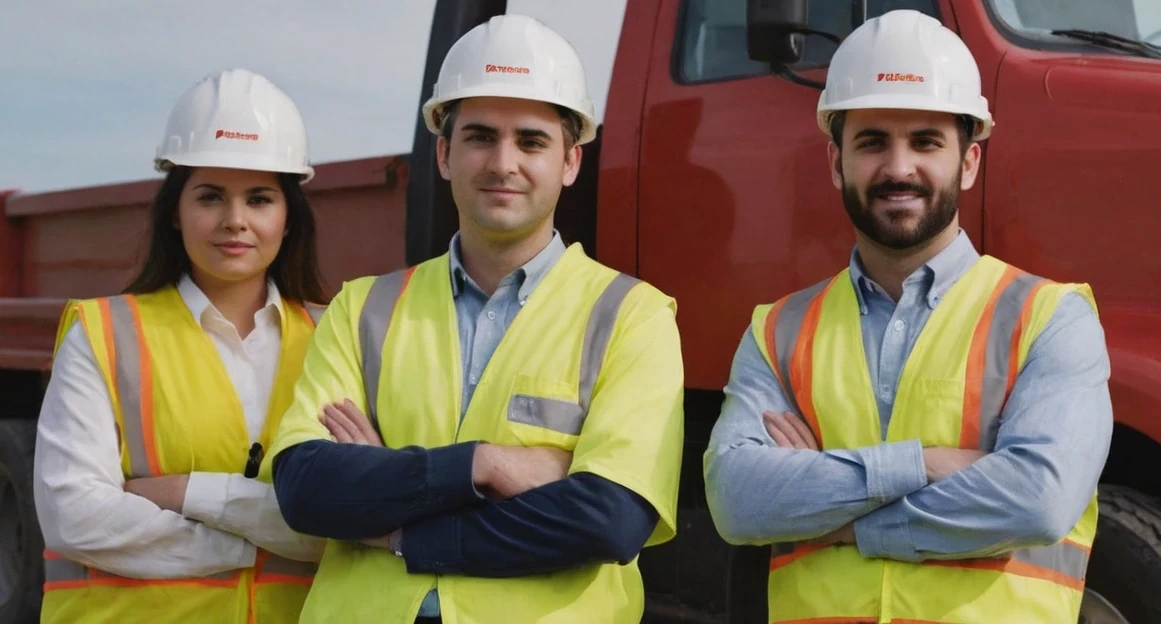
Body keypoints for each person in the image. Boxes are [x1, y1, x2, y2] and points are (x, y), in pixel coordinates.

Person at [264, 14, 684, 624]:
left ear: (571, 161)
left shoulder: (632, 316)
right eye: (480, 136)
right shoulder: (363, 307)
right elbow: (307, 489)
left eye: (531, 141)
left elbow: (608, 520)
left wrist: (402, 520)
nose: (502, 162)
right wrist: (486, 464)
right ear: (444, 153)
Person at [704, 10, 1112, 624]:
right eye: (872, 142)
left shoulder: (1051, 318)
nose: (898, 168)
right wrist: (926, 462)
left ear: (968, 163)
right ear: (836, 163)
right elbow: (738, 502)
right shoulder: (777, 330)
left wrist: (838, 516)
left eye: (925, 141)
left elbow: (1039, 500)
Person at [33, 68, 328, 624]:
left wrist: (187, 493)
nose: (235, 221)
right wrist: (256, 545)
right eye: (211, 196)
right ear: (175, 211)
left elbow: (354, 516)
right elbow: (73, 515)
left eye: (260, 199)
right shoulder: (104, 332)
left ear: (288, 218)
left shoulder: (335, 337)